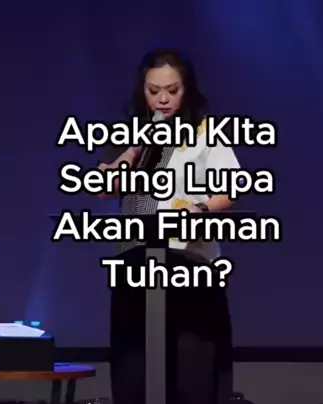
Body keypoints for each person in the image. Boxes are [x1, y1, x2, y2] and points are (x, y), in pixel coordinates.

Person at [96, 48, 240, 404]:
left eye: (172, 90)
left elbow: (230, 190)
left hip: (188, 263)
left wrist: (200, 207)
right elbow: (104, 188)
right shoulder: (131, 134)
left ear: (186, 90)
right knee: (135, 369)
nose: (163, 99)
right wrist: (133, 150)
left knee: (191, 372)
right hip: (136, 263)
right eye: (154, 90)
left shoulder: (206, 132)